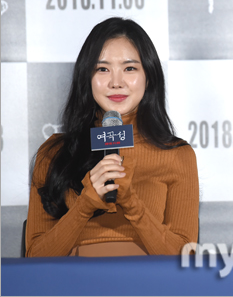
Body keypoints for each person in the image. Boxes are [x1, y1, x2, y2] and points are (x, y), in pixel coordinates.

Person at [26, 17, 199, 257]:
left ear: (149, 77)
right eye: (102, 69)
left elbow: (186, 259)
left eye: (129, 68)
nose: (116, 83)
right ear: (87, 78)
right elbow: (34, 258)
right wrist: (85, 204)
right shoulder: (55, 152)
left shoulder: (177, 155)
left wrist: (131, 203)